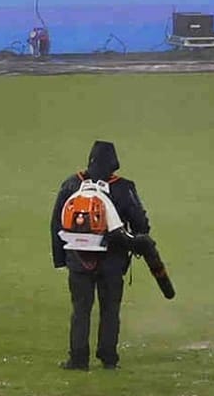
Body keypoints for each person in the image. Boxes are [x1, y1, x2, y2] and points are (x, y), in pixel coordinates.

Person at [51, 140, 150, 371]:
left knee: (80, 310)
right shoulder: (124, 187)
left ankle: (78, 359)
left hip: (78, 258)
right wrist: (136, 243)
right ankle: (108, 358)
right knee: (110, 310)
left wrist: (61, 259)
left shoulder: (72, 184)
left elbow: (56, 222)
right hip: (112, 261)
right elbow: (140, 223)